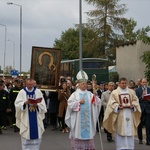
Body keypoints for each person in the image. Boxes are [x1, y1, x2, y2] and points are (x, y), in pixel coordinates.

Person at [65, 70, 101, 150]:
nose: (84, 85)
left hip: (88, 122)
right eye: (83, 84)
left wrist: (96, 98)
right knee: (78, 140)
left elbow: (97, 103)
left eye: (86, 84)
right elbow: (70, 104)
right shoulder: (75, 94)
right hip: (78, 122)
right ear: (79, 84)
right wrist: (78, 103)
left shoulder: (90, 94)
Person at [103, 77, 141, 150]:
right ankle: (121, 148)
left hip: (130, 114)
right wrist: (117, 106)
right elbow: (111, 103)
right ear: (119, 84)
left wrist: (133, 106)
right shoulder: (115, 93)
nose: (124, 85)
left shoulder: (131, 92)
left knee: (129, 133)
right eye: (122, 83)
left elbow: (136, 101)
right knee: (120, 132)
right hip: (120, 114)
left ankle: (130, 148)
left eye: (125, 83)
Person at [15, 78, 47, 150]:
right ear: (25, 84)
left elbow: (43, 104)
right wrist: (24, 103)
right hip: (26, 115)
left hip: (36, 115)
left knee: (36, 140)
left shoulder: (38, 92)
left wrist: (37, 105)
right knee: (26, 133)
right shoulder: (22, 92)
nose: (30, 86)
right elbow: (17, 104)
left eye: (31, 84)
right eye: (28, 84)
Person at [136, 78, 150, 145]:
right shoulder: (137, 90)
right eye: (143, 82)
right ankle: (140, 139)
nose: (144, 84)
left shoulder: (149, 89)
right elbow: (136, 100)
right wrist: (142, 97)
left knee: (148, 125)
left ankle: (148, 140)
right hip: (141, 109)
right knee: (140, 125)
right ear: (141, 83)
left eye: (145, 82)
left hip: (148, 109)